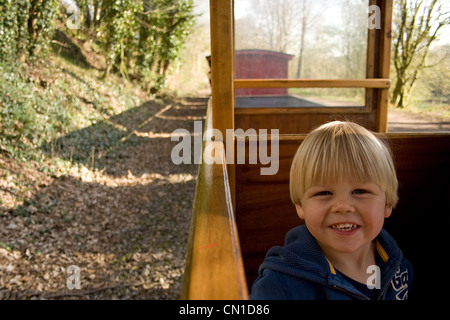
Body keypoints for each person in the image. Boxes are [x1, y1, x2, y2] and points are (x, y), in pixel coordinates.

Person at [250, 121, 413, 300]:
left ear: (387, 203)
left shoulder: (396, 262)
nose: (342, 206)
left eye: (360, 191)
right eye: (324, 193)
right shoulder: (278, 286)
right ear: (300, 206)